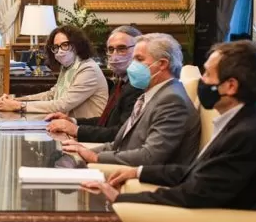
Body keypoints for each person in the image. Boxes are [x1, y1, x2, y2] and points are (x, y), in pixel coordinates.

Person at [85, 40, 256, 210]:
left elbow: (195, 193)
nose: (201, 81)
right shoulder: (240, 120)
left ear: (231, 86)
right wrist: (138, 171)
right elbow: (196, 171)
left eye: (207, 74)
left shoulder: (248, 132)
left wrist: (121, 198)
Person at [62, 33, 200, 166]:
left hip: (148, 178)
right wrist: (84, 150)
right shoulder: (149, 94)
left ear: (162, 64)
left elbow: (150, 156)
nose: (132, 66)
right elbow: (121, 143)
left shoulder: (172, 100)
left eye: (139, 59)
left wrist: (95, 157)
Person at [45, 26, 144, 142]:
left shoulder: (138, 86)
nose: (115, 55)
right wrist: (72, 121)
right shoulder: (121, 83)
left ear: (139, 51)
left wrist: (76, 130)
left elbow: (121, 133)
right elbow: (105, 121)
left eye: (122, 49)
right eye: (111, 49)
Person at [0, 25, 108, 119]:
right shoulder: (68, 67)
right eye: (55, 47)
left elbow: (62, 105)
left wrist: (19, 106)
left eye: (65, 45)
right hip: (67, 127)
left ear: (77, 44)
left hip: (85, 134)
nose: (59, 51)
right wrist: (15, 100)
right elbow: (51, 95)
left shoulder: (88, 69)